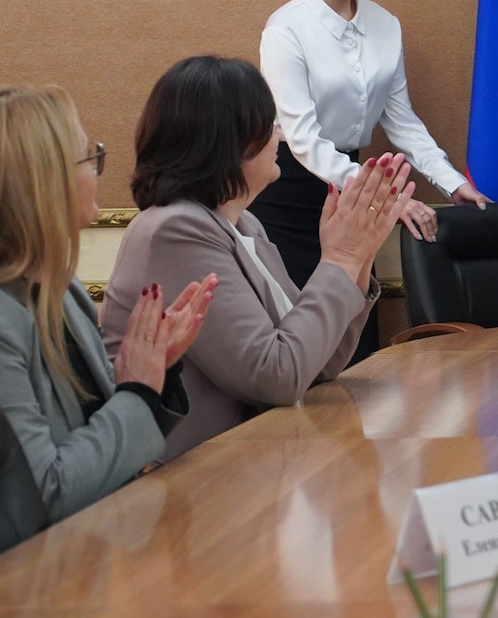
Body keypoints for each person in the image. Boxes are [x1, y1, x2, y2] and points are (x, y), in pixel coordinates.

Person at [0, 85, 216, 522]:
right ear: (40, 185)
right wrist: (139, 392)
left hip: (92, 544)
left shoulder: (58, 288)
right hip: (21, 564)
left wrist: (153, 370)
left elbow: (100, 440)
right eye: (89, 157)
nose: (97, 170)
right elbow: (39, 497)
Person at [103, 57, 412, 460]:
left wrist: (358, 257)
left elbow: (316, 365)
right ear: (234, 141)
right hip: (194, 480)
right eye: (271, 125)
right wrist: (341, 257)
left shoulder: (244, 224)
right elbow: (276, 376)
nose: (279, 137)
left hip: (257, 462)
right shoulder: (174, 229)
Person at [253, 0, 488, 355]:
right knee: (302, 336)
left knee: (355, 329)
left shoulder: (385, 24)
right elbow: (302, 138)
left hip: (353, 187)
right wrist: (384, 197)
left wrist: (451, 181)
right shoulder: (286, 30)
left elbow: (401, 119)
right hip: (290, 189)